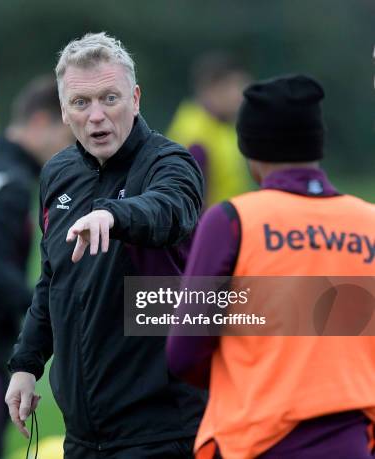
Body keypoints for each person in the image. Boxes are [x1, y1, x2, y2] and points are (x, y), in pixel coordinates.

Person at [5, 32, 206, 458]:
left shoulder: (170, 162)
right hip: (84, 437)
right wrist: (26, 364)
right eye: (81, 103)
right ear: (63, 110)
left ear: (135, 98)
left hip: (161, 433)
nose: (96, 116)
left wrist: (115, 215)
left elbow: (170, 209)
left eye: (110, 99)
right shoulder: (58, 173)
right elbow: (51, 281)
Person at [166, 75, 375, 458]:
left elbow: (183, 351)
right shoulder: (369, 221)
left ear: (249, 150)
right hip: (352, 442)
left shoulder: (233, 220)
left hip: (254, 440)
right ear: (318, 142)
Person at [0, 75, 73, 459]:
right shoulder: (12, 183)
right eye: (68, 136)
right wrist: (43, 309)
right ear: (41, 122)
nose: (71, 149)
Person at [165, 52, 251, 207]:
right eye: (235, 86)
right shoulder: (195, 136)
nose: (240, 96)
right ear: (212, 89)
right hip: (211, 228)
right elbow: (191, 204)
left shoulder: (223, 126)